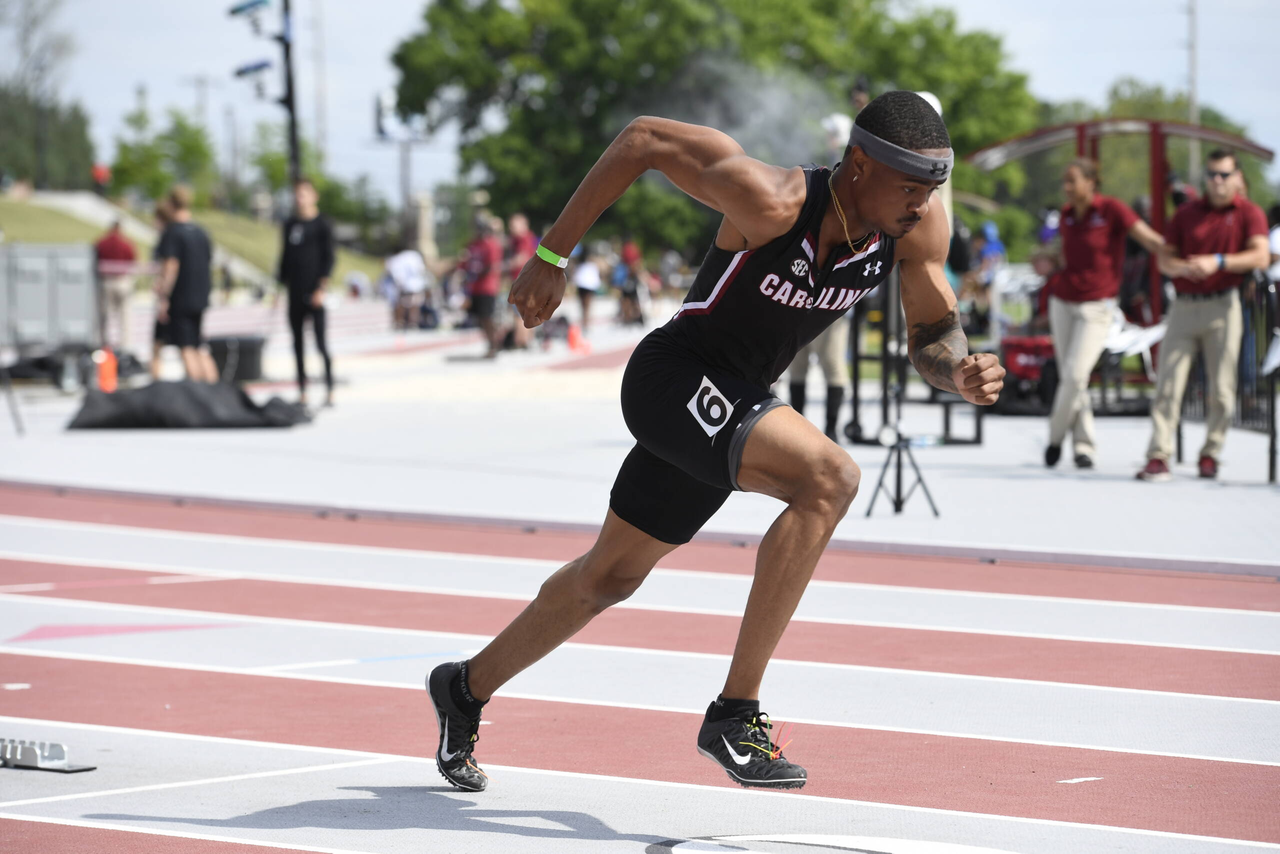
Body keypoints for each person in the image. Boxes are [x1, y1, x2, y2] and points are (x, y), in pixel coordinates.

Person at [426, 92, 1004, 793]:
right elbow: (642, 139)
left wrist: (959, 373)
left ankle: (464, 687)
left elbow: (931, 335)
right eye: (910, 187)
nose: (922, 204)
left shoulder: (914, 228)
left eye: (931, 190)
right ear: (858, 165)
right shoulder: (772, 201)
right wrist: (553, 253)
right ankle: (735, 713)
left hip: (735, 404)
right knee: (830, 478)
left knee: (609, 577)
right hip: (675, 382)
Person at [1136, 149, 1270, 481]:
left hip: (1224, 305)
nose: (1217, 182)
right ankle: (1159, 454)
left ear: (1237, 177)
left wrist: (1219, 262)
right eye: (1211, 175)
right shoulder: (1186, 213)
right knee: (1168, 382)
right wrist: (1183, 267)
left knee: (1223, 388)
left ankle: (1211, 452)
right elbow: (1164, 259)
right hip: (1183, 305)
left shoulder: (1249, 213)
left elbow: (1261, 256)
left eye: (1224, 175)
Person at [1044, 159, 1164, 469]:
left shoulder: (1111, 209)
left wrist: (1181, 258)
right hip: (1063, 302)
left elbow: (1150, 239)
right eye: (1064, 182)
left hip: (1097, 306)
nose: (1066, 188)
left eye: (1072, 181)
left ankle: (1055, 438)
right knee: (1074, 380)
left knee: (1074, 375)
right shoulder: (1068, 215)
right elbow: (1063, 255)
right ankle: (1084, 448)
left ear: (1091, 182)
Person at [276, 178, 336, 408]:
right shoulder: (290, 224)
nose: (299, 198)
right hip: (294, 292)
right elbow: (285, 259)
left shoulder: (322, 225)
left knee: (320, 343)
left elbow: (329, 258)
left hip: (315, 293)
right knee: (297, 343)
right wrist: (279, 285)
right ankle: (302, 391)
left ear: (313, 196)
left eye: (303, 194)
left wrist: (321, 288)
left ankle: (329, 389)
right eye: (296, 194)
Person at [154, 187, 217, 383]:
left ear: (171, 205)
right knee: (199, 346)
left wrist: (164, 296)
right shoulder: (200, 232)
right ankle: (215, 393)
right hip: (201, 295)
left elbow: (171, 266)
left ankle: (197, 394)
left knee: (187, 348)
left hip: (181, 297)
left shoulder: (172, 233)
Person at [462, 217, 504, 357]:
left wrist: (476, 274)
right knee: (480, 318)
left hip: (487, 286)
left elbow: (491, 265)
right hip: (474, 287)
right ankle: (492, 343)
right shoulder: (473, 245)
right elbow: (465, 262)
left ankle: (495, 344)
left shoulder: (491, 244)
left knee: (487, 317)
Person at [94, 220, 137, 354]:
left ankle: (103, 344)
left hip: (106, 280)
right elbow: (132, 258)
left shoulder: (102, 242)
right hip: (122, 280)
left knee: (105, 315)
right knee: (124, 315)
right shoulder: (126, 243)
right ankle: (125, 346)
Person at [149, 202, 174, 379]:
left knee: (158, 346)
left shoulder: (169, 238)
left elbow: (169, 268)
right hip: (179, 297)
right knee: (190, 348)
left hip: (170, 299)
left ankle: (156, 384)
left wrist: (163, 297)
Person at [385, 243, 429, 330]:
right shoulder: (414, 255)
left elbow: (396, 274)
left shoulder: (397, 259)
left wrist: (400, 284)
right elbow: (421, 269)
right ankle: (412, 323)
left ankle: (400, 323)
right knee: (415, 305)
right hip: (417, 285)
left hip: (405, 285)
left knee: (402, 305)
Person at [571, 245, 602, 333]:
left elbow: (576, 275)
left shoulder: (580, 264)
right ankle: (586, 323)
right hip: (588, 286)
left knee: (583, 306)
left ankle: (585, 323)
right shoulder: (591, 264)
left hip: (582, 285)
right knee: (587, 306)